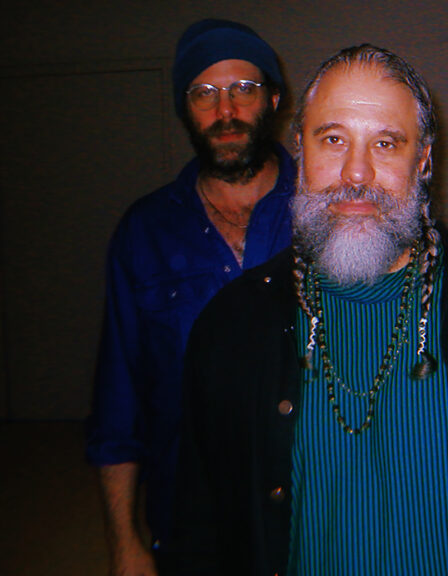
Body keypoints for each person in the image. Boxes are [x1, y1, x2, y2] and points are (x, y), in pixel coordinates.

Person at [170, 44, 448, 575]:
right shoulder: (233, 324)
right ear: (300, 149)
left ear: (422, 160)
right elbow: (199, 526)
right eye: (333, 139)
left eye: (385, 143)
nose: (356, 173)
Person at [85, 19, 294, 575]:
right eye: (204, 93)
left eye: (243, 88)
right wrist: (125, 542)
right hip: (193, 522)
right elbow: (119, 402)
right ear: (185, 108)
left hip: (317, 513)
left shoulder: (327, 213)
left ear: (273, 99)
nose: (226, 110)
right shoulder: (144, 232)